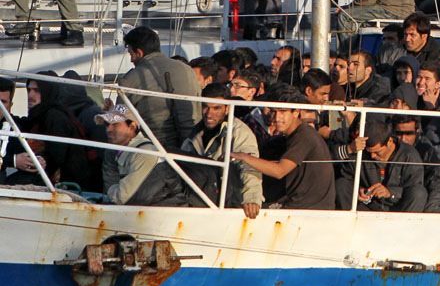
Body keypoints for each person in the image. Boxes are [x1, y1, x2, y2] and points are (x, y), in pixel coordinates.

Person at [230, 87, 335, 210]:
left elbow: (279, 171)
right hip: (297, 202)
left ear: (296, 112)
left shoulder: (304, 135)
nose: (276, 118)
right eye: (274, 112)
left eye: (283, 112)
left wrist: (243, 156)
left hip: (309, 208)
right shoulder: (292, 136)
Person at [180, 83, 262, 217]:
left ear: (227, 109)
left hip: (229, 200)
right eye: (205, 107)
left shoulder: (239, 132)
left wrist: (252, 198)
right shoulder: (195, 133)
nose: (209, 114)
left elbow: (249, 166)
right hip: (201, 197)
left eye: (216, 108)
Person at [117, 26, 202, 151]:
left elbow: (121, 118)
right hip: (193, 146)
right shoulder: (186, 69)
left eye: (131, 54)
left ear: (139, 53)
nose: (131, 59)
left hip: (154, 149)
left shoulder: (131, 79)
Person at [99, 105, 188, 206]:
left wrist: (110, 187)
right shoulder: (121, 151)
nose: (108, 129)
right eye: (107, 124)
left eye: (115, 124)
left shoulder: (144, 153)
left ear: (132, 127)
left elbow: (121, 198)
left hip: (168, 216)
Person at [346, 120, 427, 212]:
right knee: (342, 185)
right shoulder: (361, 153)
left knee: (419, 193)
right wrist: (358, 189)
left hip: (399, 207)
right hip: (369, 206)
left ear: (389, 141)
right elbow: (347, 176)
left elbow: (414, 186)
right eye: (369, 152)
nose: (372, 156)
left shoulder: (409, 155)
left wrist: (390, 192)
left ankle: (406, 225)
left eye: (377, 152)